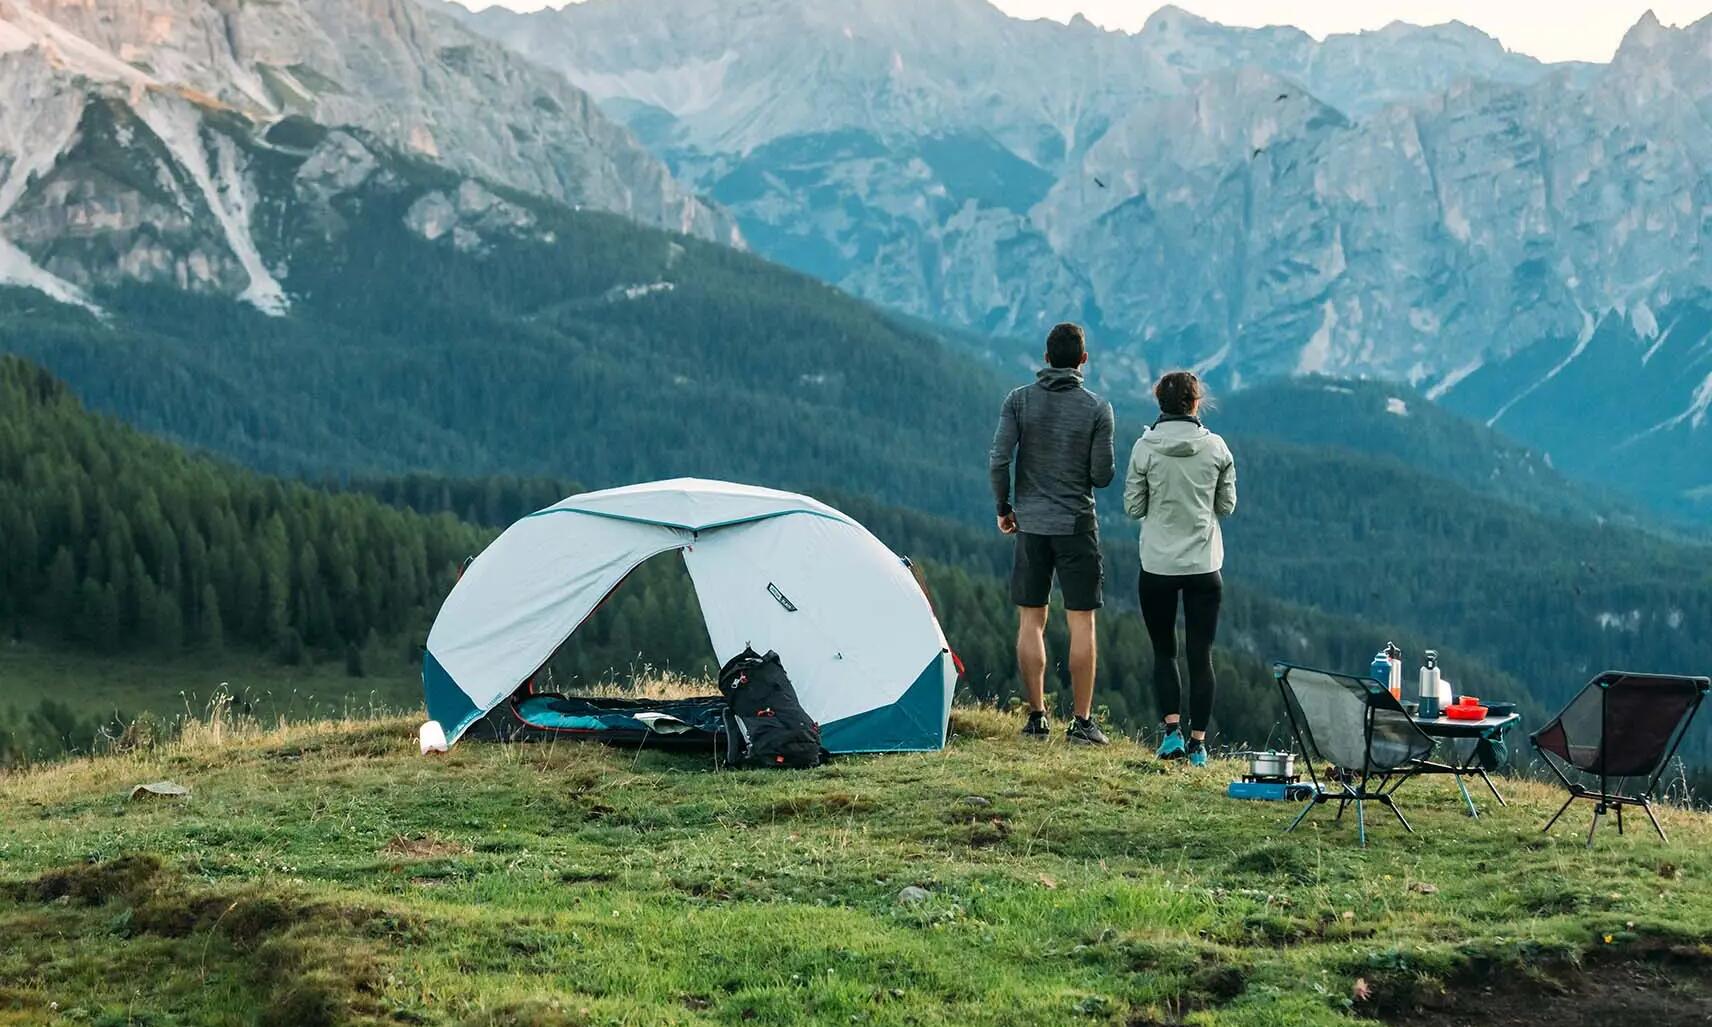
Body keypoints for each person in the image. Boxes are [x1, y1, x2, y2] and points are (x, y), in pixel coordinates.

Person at [988, 322, 1116, 745]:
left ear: (1045, 359)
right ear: (1083, 360)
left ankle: (1037, 717)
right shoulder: (1098, 408)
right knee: (1082, 624)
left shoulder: (1018, 401)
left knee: (1031, 620)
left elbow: (999, 460)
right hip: (1077, 525)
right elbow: (1101, 477)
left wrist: (1005, 508)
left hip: (1031, 525)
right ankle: (1081, 724)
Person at [1123, 370, 1236, 767]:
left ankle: (1171, 734)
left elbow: (1133, 507)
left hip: (1157, 565)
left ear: (1160, 405)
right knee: (1200, 654)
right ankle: (1199, 744)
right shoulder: (1217, 448)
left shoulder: (1144, 447)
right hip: (1205, 565)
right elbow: (1226, 506)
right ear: (1195, 403)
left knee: (1163, 651)